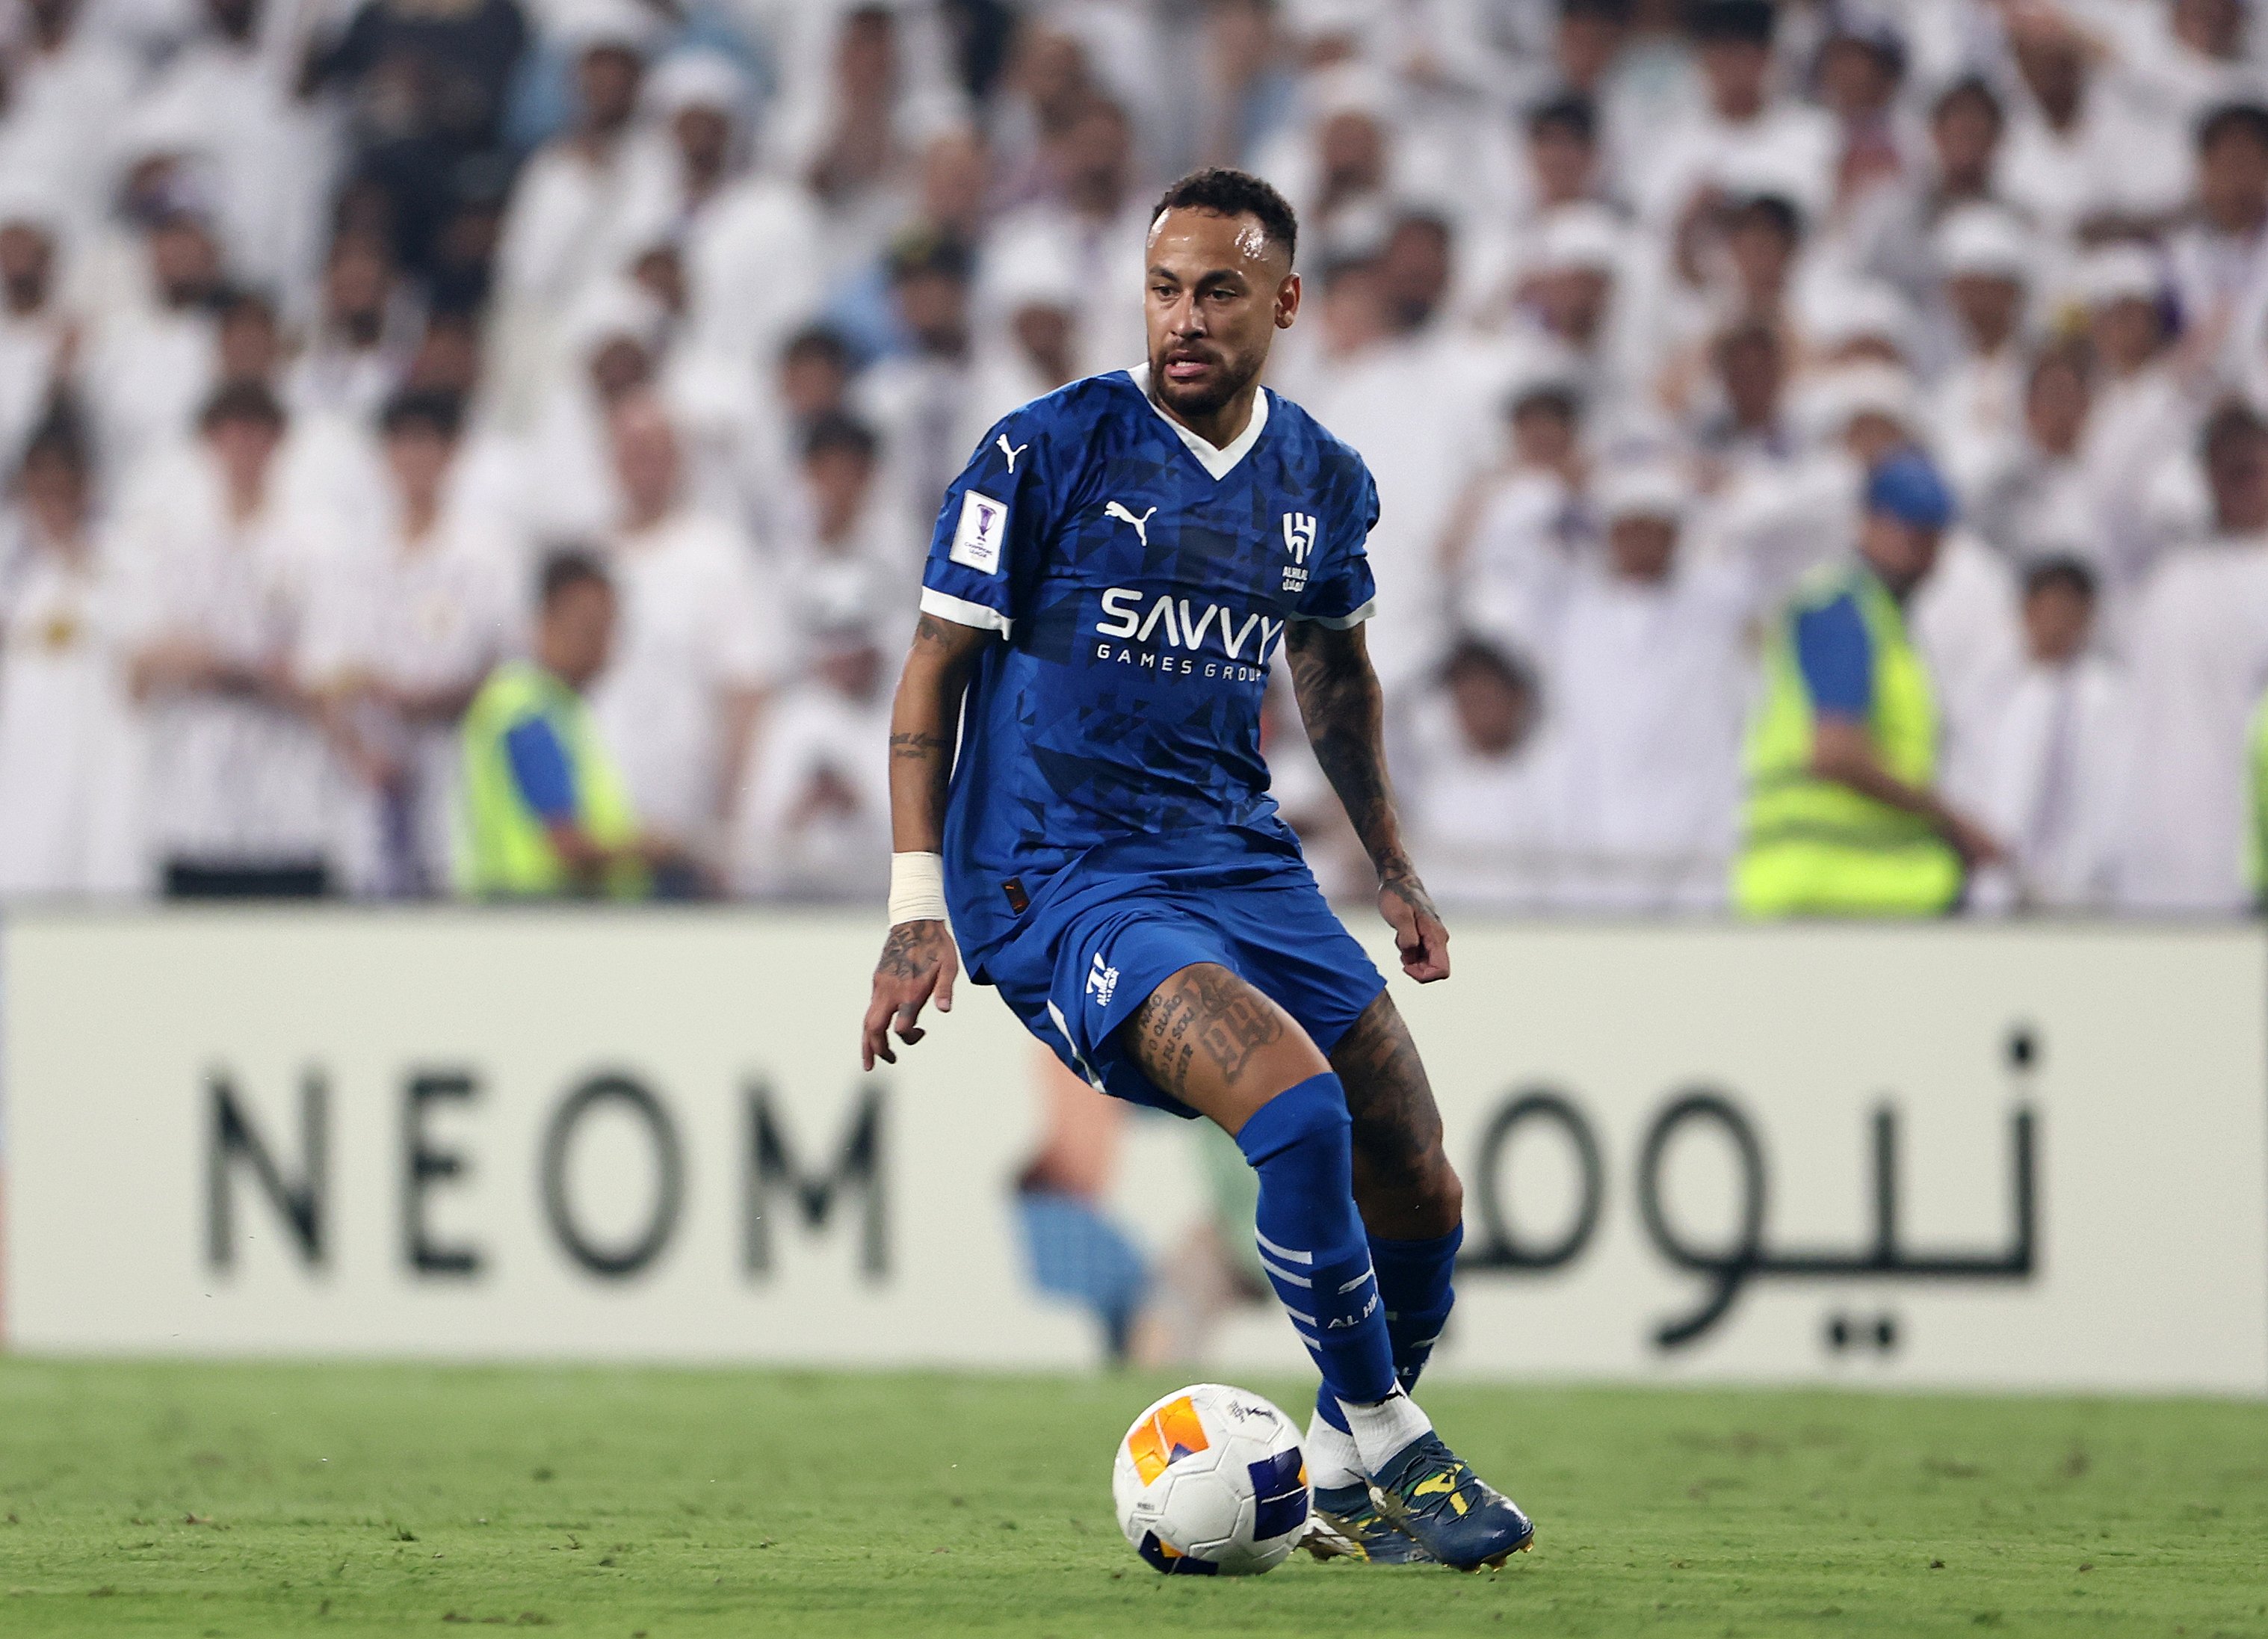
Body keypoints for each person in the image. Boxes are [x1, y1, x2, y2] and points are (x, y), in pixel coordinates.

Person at [859, 167, 1533, 1569]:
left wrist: (1395, 869)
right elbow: (935, 665)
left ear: (1283, 301)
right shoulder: (1044, 450)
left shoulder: (1320, 481)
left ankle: (1343, 1466)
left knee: (1419, 1170)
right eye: (1164, 287)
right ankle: (1397, 1437)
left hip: (1238, 855)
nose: (1184, 317)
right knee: (1295, 1117)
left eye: (1219, 290)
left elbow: (1336, 675)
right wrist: (914, 906)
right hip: (1062, 874)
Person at [1734, 449, 2003, 916]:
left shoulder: (1885, 624)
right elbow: (1836, 750)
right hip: (1832, 890)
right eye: (1907, 530)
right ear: (1867, 524)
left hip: (1852, 891)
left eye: (1931, 533)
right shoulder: (1842, 611)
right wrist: (1950, 821)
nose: (1921, 549)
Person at [456, 551, 673, 898]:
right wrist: (648, 849)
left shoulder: (556, 707)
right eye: (588, 629)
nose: (602, 647)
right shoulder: (528, 713)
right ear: (544, 623)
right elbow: (567, 846)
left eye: (609, 631)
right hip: (537, 917)